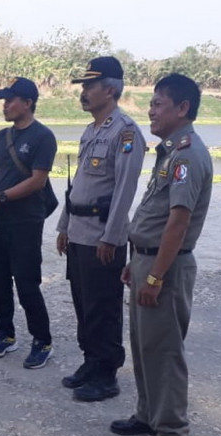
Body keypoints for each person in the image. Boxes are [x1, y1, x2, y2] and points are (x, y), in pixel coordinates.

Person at [111, 73, 213, 436]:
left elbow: (178, 223)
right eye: (151, 104)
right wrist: (138, 262)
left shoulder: (187, 155)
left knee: (165, 350)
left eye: (157, 104)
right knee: (144, 345)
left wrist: (154, 276)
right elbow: (156, 215)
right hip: (148, 260)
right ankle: (148, 415)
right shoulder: (169, 153)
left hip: (165, 267)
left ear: (182, 108)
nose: (150, 111)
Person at [56, 56, 146, 401]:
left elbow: (124, 190)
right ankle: (90, 361)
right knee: (83, 303)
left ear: (110, 90)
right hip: (79, 232)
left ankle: (107, 374)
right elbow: (79, 184)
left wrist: (111, 237)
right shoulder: (91, 130)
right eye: (83, 86)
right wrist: (64, 226)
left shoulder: (125, 132)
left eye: (90, 86)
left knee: (103, 307)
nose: (84, 92)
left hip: (101, 235)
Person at [0, 77, 57, 369]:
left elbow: (37, 181)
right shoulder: (1, 137)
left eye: (10, 100)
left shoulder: (43, 137)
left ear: (27, 103)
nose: (5, 105)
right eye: (4, 100)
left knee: (27, 283)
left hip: (26, 221)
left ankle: (42, 341)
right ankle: (5, 334)